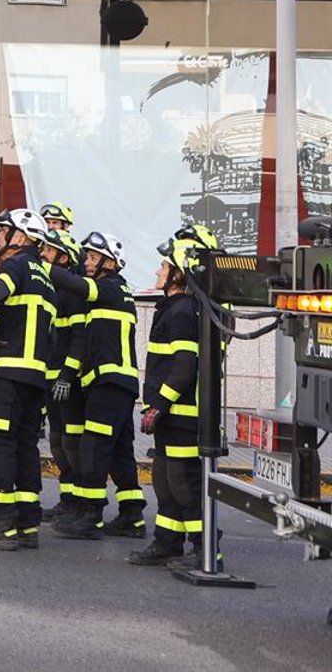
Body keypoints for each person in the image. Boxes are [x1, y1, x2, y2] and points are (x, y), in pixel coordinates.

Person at [0, 207, 57, 550]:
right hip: (36, 377)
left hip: (9, 371)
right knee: (24, 445)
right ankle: (27, 523)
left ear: (22, 237)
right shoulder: (46, 278)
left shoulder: (16, 266)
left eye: (4, 231)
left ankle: (2, 522)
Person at [129, 224, 214, 565]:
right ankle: (167, 542)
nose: (157, 271)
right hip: (171, 414)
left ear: (179, 274)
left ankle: (206, 547)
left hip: (182, 415)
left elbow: (184, 367)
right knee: (165, 478)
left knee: (183, 481)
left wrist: (159, 406)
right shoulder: (176, 309)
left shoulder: (182, 313)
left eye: (163, 267)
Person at [54, 231, 144, 539]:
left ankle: (90, 515)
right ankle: (132, 515)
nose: (87, 261)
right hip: (111, 385)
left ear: (110, 262)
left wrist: (43, 264)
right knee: (119, 451)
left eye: (93, 257)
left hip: (111, 384)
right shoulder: (107, 292)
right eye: (87, 256)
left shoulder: (111, 288)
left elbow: (78, 285)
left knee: (93, 446)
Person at [38, 218, 88, 524]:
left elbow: (79, 340)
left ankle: (81, 502)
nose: (43, 254)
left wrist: (67, 376)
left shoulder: (74, 295)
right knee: (57, 442)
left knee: (72, 443)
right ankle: (67, 499)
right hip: (47, 378)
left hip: (67, 383)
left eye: (50, 250)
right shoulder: (48, 289)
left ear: (64, 258)